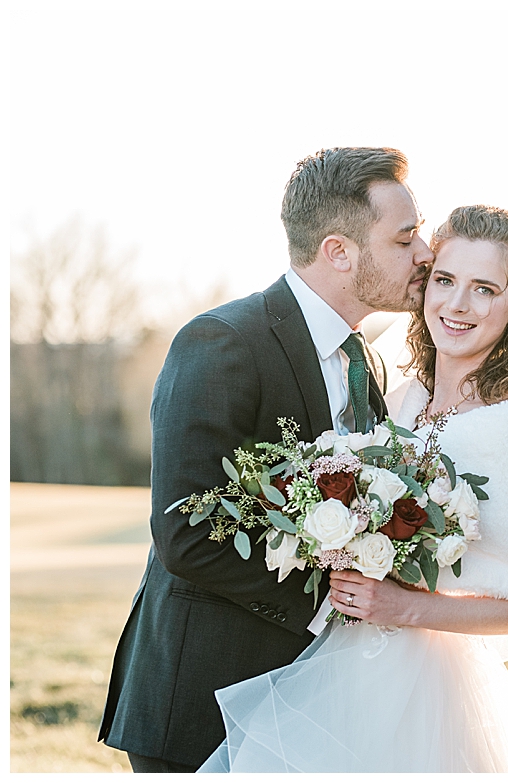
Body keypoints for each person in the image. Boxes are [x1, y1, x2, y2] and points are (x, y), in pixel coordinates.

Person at [197, 205, 508, 773]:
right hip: (341, 666)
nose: (457, 305)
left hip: (428, 693)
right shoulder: (400, 400)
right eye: (445, 280)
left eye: (485, 289)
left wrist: (406, 606)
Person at [98, 147, 434, 772]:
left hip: (317, 706)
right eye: (406, 237)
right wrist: (331, 600)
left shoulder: (372, 362)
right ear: (340, 252)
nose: (426, 253)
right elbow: (184, 532)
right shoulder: (224, 343)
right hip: (209, 701)